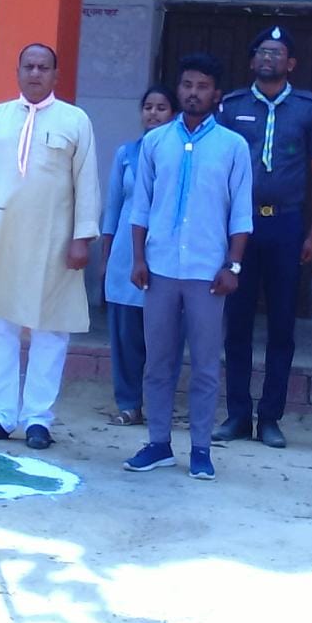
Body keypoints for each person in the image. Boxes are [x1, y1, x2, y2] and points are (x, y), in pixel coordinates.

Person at [124, 53, 253, 481]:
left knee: (205, 365)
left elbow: (241, 214)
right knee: (158, 362)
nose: (193, 93)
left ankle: (200, 449)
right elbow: (141, 207)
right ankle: (158, 443)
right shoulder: (156, 142)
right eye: (186, 85)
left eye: (202, 86)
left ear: (216, 94)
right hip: (160, 266)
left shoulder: (233, 146)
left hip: (207, 272)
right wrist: (138, 259)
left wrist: (233, 266)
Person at [0, 44, 100, 451]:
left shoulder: (75, 120)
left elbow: (87, 183)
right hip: (2, 239)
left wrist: (82, 238)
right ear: (17, 71)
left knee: (51, 329)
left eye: (44, 67)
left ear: (56, 75)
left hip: (54, 242)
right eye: (28, 66)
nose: (35, 73)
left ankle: (38, 419)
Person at [215, 26, 312, 449]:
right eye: (262, 52)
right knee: (237, 323)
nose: (269, 58)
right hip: (241, 227)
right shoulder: (231, 107)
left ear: (291, 64)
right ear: (252, 61)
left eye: (277, 53)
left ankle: (270, 418)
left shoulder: (307, 109)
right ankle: (237, 414)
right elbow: (217, 171)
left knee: (282, 325)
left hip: (286, 225)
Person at [100, 84, 176, 426]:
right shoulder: (126, 154)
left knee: (162, 336)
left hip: (165, 255)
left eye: (161, 108)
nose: (153, 114)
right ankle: (128, 403)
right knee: (125, 335)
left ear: (173, 114)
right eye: (148, 107)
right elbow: (114, 207)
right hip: (125, 255)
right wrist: (106, 256)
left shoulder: (181, 154)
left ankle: (158, 404)